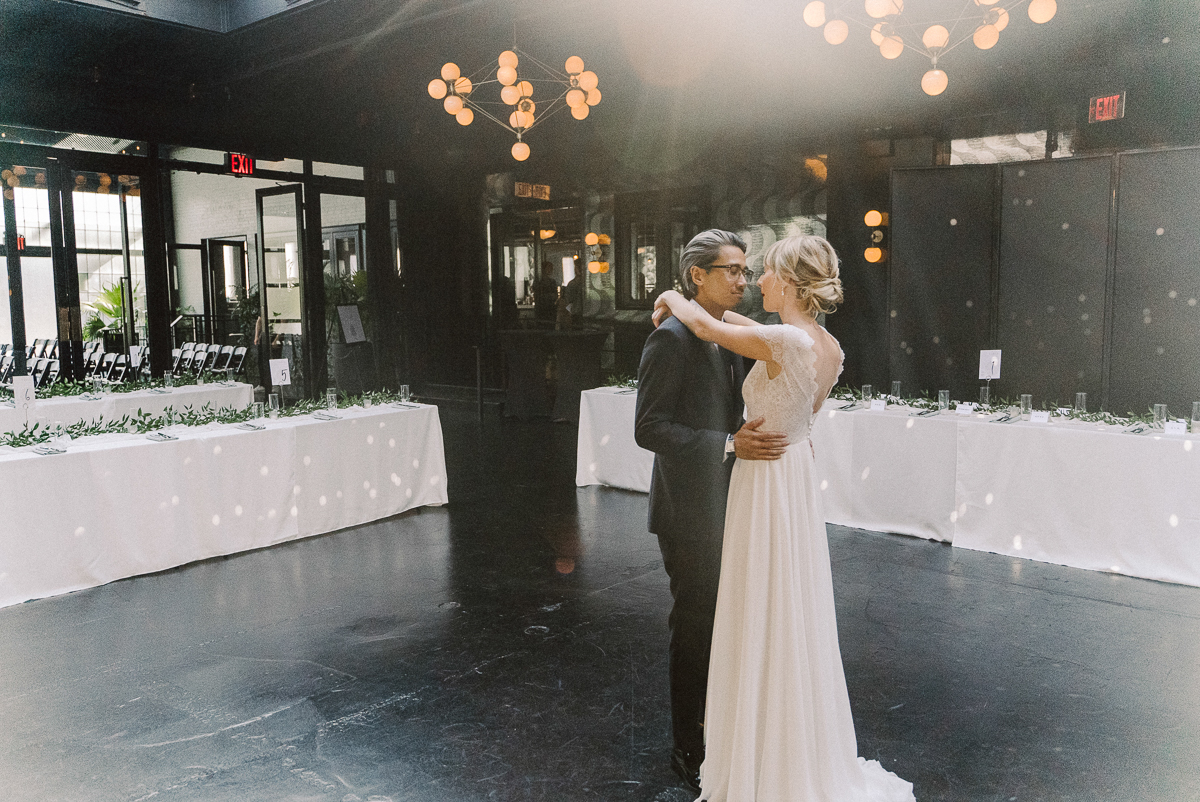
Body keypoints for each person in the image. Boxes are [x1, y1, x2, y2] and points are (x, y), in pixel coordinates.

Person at [653, 235, 915, 801]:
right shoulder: (826, 346)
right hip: (791, 474)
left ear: (791, 282)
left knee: (756, 606)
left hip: (765, 480)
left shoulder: (782, 340)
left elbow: (708, 328)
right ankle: (781, 734)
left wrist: (671, 299)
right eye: (742, 270)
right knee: (785, 604)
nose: (756, 281)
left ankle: (753, 739)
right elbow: (785, 392)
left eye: (765, 271)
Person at [634, 230, 790, 794]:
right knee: (695, 627)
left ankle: (719, 731)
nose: (742, 280)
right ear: (697, 275)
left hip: (732, 505)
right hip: (688, 513)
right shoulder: (670, 339)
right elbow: (648, 428)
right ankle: (687, 745)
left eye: (746, 270)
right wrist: (727, 444)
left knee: (727, 625)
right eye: (731, 270)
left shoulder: (725, 333)